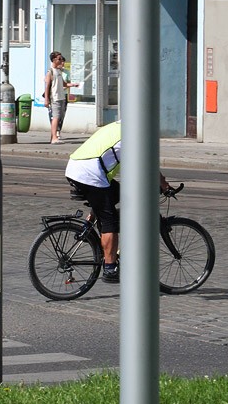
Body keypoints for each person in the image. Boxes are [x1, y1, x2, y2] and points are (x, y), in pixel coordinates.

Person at [65, 121, 170, 283]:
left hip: (77, 167)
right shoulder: (135, 135)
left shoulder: (117, 126)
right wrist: (163, 185)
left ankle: (90, 221)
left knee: (116, 193)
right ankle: (110, 268)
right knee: (110, 221)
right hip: (90, 173)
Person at [43, 51, 78, 144]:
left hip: (61, 97)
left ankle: (53, 137)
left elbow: (64, 84)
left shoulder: (58, 71)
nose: (61, 60)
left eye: (61, 58)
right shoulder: (50, 72)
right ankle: (54, 138)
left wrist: (73, 85)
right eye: (59, 59)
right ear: (54, 60)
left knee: (58, 117)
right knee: (55, 117)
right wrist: (46, 99)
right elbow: (47, 87)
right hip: (55, 98)